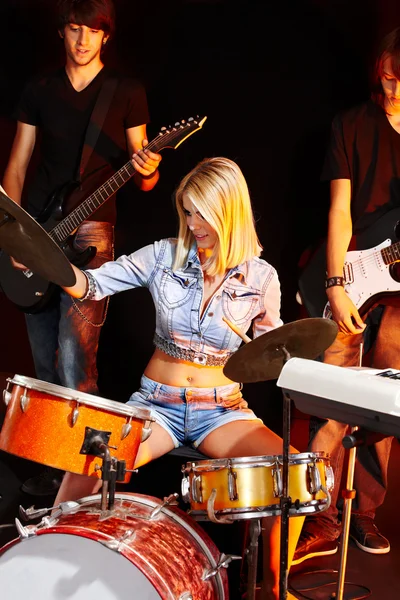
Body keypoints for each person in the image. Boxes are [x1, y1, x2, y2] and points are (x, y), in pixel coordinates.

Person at [50, 156, 303, 599]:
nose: (193, 223)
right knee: (88, 458)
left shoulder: (261, 277)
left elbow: (274, 351)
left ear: (229, 210)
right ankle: (51, 558)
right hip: (157, 404)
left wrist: (294, 351)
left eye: (202, 212)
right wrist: (46, 262)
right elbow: (92, 284)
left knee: (293, 474)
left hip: (221, 411)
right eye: (187, 211)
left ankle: (271, 587)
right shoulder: (164, 254)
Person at [1, 0, 162, 496]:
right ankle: (54, 471)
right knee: (46, 367)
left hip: (92, 233)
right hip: (38, 231)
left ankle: (84, 483)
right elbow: (18, 164)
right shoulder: (39, 90)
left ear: (106, 37)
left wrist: (149, 167)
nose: (83, 40)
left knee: (76, 362)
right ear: (62, 32)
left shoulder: (125, 92)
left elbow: (148, 180)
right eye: (74, 29)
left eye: (93, 31)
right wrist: (12, 229)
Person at [292, 28, 400, 565]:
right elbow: (340, 208)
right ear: (387, 72)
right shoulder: (351, 126)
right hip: (353, 273)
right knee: (334, 403)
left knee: (385, 408)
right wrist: (335, 282)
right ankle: (319, 517)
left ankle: (365, 514)